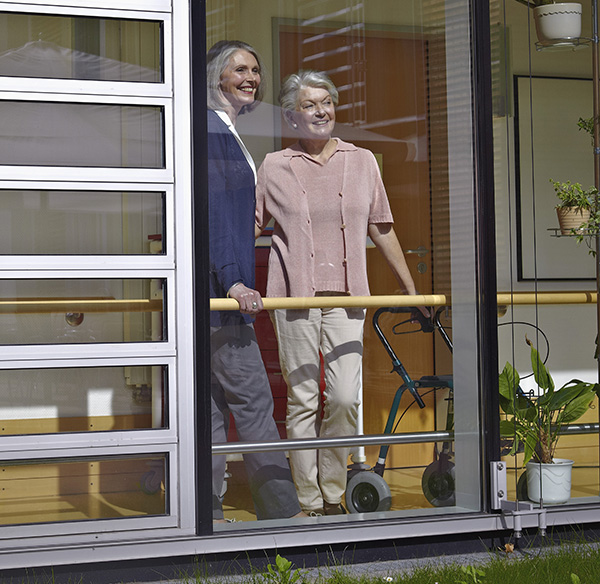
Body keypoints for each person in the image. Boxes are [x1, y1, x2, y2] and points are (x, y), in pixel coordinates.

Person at [255, 70, 427, 516]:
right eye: (310, 105)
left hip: (349, 297)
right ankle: (310, 500)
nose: (321, 111)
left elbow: (382, 228)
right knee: (304, 396)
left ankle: (334, 489)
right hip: (292, 297)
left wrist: (410, 289)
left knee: (346, 397)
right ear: (292, 116)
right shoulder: (274, 165)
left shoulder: (362, 161)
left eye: (327, 102)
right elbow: (249, 229)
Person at [207, 40, 303, 522]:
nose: (251, 77)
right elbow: (216, 215)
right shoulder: (211, 132)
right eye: (239, 69)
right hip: (222, 296)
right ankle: (283, 514)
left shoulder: (219, 130)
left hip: (205, 294)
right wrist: (233, 282)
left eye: (256, 70)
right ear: (215, 78)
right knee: (253, 400)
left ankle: (204, 511)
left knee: (210, 405)